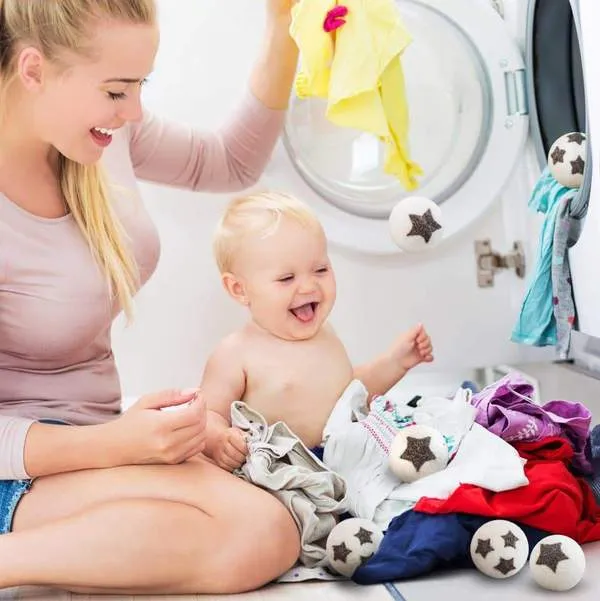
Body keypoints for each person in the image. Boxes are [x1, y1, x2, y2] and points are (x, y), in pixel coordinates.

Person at [0, 0, 425, 594]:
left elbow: (229, 160)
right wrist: (111, 443)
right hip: (20, 465)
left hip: (94, 436)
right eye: (118, 91)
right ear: (34, 70)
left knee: (269, 526)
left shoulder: (99, 137)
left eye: (140, 87)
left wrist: (282, 25)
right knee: (258, 534)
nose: (135, 110)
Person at [200, 191, 434, 471]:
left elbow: (350, 392)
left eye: (321, 269)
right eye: (287, 278)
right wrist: (218, 440)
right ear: (239, 289)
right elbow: (208, 414)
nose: (309, 286)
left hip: (346, 457)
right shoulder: (236, 353)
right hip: (286, 470)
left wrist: (396, 362)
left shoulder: (326, 334)